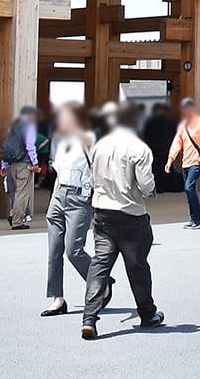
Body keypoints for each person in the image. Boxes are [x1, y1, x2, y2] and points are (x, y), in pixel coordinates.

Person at [81, 102, 162, 339]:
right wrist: (149, 190)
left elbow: (91, 176)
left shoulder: (99, 146)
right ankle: (147, 314)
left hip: (103, 212)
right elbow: (146, 186)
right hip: (130, 213)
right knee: (137, 266)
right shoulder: (140, 149)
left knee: (100, 265)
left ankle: (89, 318)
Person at [42, 101, 94, 318]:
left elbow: (99, 170)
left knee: (74, 250)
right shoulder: (61, 142)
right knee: (54, 250)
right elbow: (58, 172)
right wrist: (53, 198)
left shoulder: (90, 139)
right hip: (59, 195)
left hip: (79, 197)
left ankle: (99, 281)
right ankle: (57, 298)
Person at [166, 96, 200, 228]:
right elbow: (177, 143)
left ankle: (199, 217)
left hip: (196, 162)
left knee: (189, 187)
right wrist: (170, 160)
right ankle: (194, 218)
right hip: (185, 162)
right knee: (188, 190)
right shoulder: (183, 125)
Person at [2, 105, 42, 230]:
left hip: (12, 163)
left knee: (15, 191)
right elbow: (30, 146)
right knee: (22, 193)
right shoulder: (29, 127)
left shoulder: (12, 127)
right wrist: (35, 163)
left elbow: (6, 146)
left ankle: (13, 214)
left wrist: (4, 165)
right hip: (24, 164)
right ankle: (17, 220)